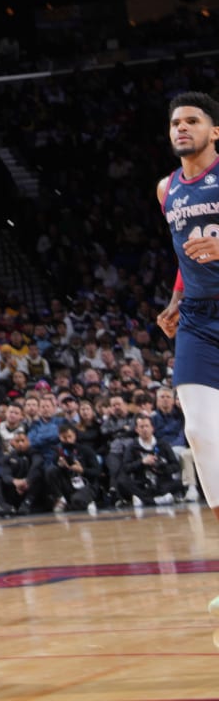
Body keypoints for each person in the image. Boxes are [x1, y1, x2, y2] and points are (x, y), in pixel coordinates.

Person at [156, 90, 219, 617]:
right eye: (176, 121)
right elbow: (181, 252)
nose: (182, 127)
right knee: (200, 433)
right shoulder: (166, 188)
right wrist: (176, 299)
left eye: (192, 120)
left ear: (214, 131)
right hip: (198, 318)